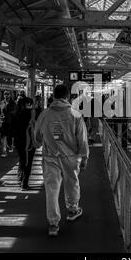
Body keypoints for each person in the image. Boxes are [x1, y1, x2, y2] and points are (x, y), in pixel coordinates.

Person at [34, 84, 89, 237]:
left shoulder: (45, 114)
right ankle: (72, 210)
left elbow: (37, 136)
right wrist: (84, 157)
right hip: (71, 158)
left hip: (50, 157)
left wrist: (39, 142)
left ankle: (53, 224)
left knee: (51, 189)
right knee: (72, 183)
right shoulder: (75, 114)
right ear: (67, 97)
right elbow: (82, 140)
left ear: (54, 96)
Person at [11, 97, 36, 191]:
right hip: (29, 141)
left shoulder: (14, 114)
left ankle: (20, 178)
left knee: (22, 159)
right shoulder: (31, 114)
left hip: (19, 141)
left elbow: (12, 130)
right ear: (28, 104)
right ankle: (24, 183)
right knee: (28, 162)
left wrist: (12, 141)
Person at [0, 91, 16, 157]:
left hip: (10, 122)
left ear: (10, 95)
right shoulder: (1, 103)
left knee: (9, 136)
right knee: (3, 136)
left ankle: (9, 145)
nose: (6, 95)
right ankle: (4, 151)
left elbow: (15, 112)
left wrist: (10, 114)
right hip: (2, 122)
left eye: (7, 94)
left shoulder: (13, 103)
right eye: (5, 94)